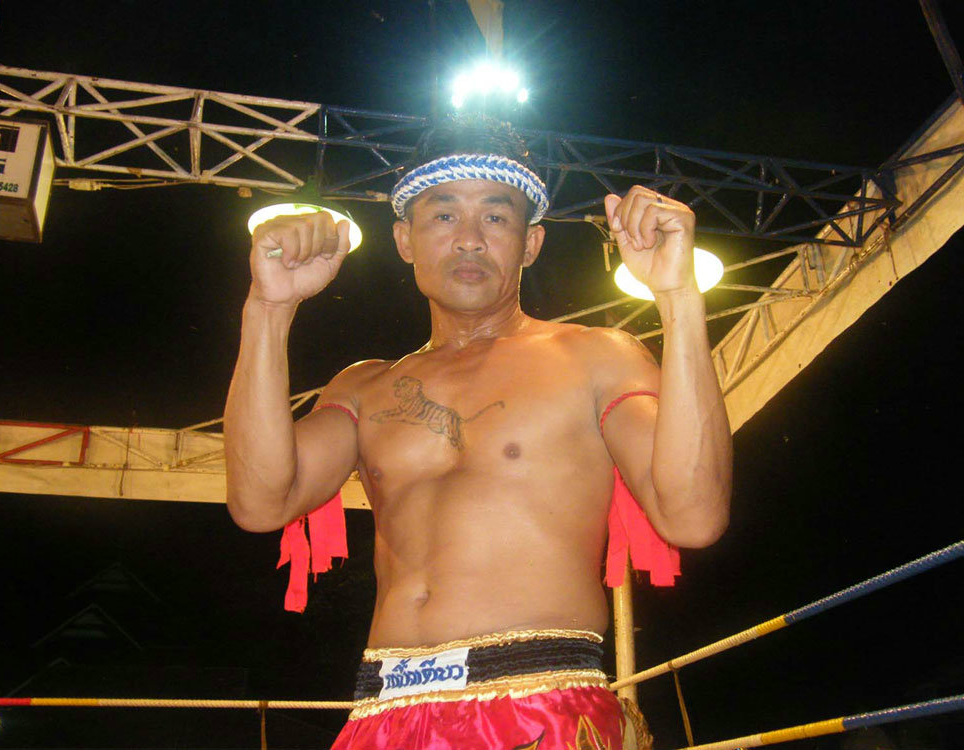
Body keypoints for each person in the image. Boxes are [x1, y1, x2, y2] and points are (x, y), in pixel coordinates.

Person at [224, 116, 732, 750]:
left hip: (542, 708)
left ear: (530, 243)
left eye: (495, 216)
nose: (468, 239)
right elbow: (260, 502)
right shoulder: (365, 387)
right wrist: (269, 307)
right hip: (386, 714)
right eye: (443, 216)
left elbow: (693, 516)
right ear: (404, 239)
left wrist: (679, 296)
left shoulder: (597, 358)